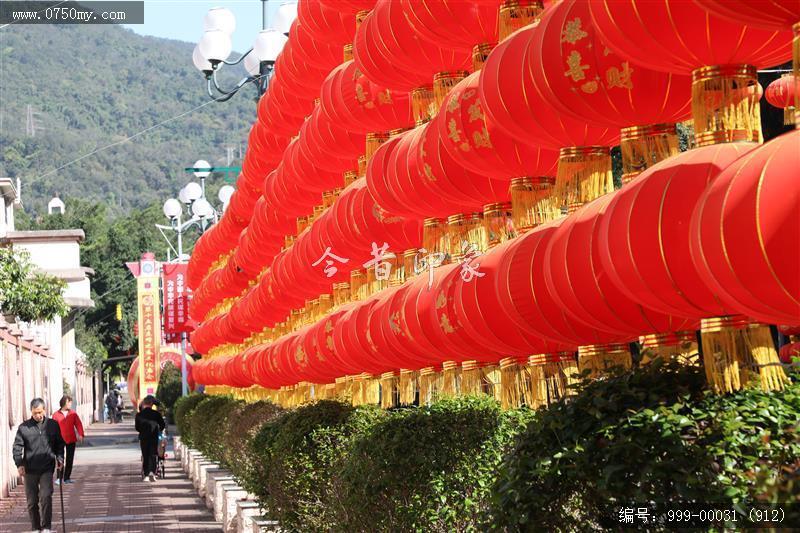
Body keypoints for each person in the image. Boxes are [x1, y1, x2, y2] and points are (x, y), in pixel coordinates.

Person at [13, 398, 65, 533]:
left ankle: (46, 527)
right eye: (35, 413)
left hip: (47, 468)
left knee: (46, 496)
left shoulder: (53, 425)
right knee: (32, 501)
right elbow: (17, 447)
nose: (38, 415)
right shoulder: (24, 427)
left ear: (44, 410)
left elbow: (60, 444)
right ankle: (35, 527)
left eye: (40, 412)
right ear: (31, 411)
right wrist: (19, 464)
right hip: (30, 469)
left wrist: (60, 458)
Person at [52, 394, 85, 485]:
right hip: (59, 440)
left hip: (71, 439)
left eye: (70, 402)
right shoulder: (56, 415)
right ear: (63, 403)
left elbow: (78, 424)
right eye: (68, 402)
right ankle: (59, 478)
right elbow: (52, 427)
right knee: (60, 459)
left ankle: (67, 478)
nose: (70, 404)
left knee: (70, 459)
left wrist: (81, 434)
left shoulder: (73, 414)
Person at [135, 395, 165, 483]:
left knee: (145, 455)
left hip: (144, 438)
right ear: (152, 404)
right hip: (154, 437)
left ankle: (146, 475)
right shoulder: (156, 414)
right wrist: (158, 430)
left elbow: (137, 428)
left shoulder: (139, 415)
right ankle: (152, 473)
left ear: (144, 403)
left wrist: (143, 430)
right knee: (153, 455)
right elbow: (162, 425)